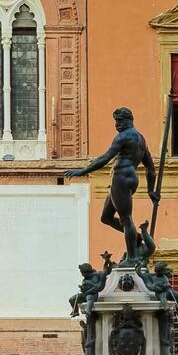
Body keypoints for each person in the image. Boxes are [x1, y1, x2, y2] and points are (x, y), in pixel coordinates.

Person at [64, 107, 159, 264]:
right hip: (130, 178)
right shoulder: (141, 139)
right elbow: (150, 168)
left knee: (126, 219)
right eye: (116, 121)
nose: (117, 125)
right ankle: (136, 237)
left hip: (121, 178)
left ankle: (132, 258)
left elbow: (105, 158)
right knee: (106, 217)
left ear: (129, 120)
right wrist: (150, 190)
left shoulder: (123, 137)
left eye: (120, 121)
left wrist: (83, 171)